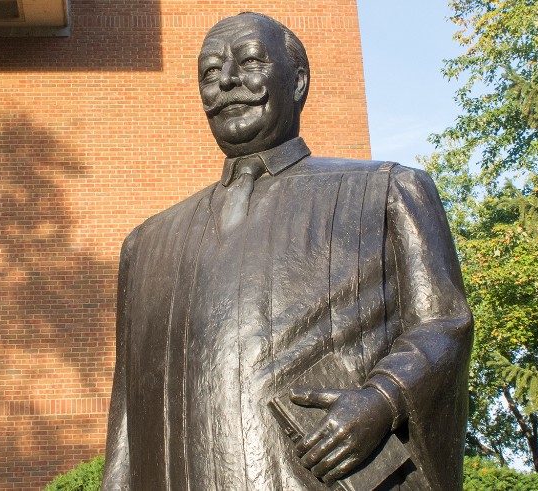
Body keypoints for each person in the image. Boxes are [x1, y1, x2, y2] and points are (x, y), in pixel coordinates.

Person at [103, 12, 472, 490]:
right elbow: (127, 411)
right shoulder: (146, 245)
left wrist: (383, 399)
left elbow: (443, 324)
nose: (227, 81)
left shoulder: (386, 191)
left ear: (298, 81)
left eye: (250, 62)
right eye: (210, 71)